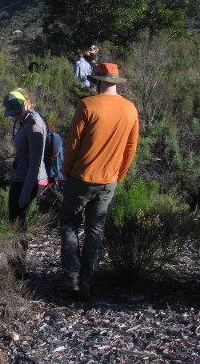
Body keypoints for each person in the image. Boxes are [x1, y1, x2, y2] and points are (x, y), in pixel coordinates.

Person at [58, 63, 139, 300]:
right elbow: (131, 147)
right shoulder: (130, 109)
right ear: (116, 82)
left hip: (81, 177)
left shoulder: (87, 105)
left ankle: (71, 277)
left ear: (97, 80)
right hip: (109, 180)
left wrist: (66, 170)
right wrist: (120, 174)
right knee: (95, 229)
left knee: (69, 224)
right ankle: (87, 282)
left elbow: (72, 143)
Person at [3, 89, 48, 279]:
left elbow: (36, 163)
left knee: (18, 224)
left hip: (29, 180)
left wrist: (25, 193)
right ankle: (15, 265)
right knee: (16, 222)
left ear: (26, 103)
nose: (14, 115)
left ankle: (18, 270)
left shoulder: (35, 125)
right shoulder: (25, 121)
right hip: (21, 177)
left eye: (16, 111)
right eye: (11, 112)